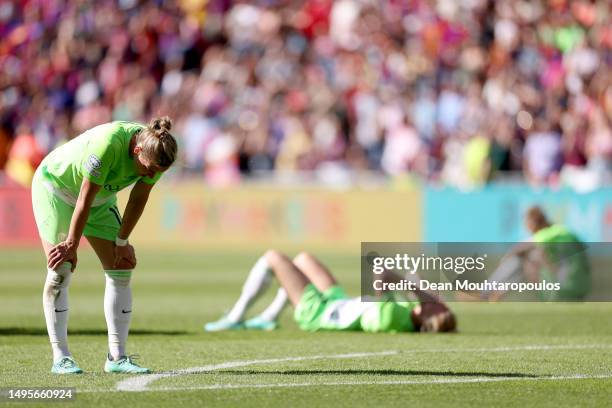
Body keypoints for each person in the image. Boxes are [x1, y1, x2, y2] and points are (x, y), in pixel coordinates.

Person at [31, 118, 177, 374]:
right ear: (136, 151)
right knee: (60, 268)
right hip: (56, 189)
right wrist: (71, 244)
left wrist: (122, 242)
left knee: (121, 267)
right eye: (149, 169)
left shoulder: (157, 152)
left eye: (158, 172)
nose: (152, 175)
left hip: (99, 200)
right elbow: (84, 198)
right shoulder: (107, 144)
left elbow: (138, 199)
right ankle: (61, 357)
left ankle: (117, 358)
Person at [205, 250, 456, 334]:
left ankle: (235, 318)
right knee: (303, 259)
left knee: (273, 257)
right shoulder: (405, 315)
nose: (437, 300)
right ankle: (269, 318)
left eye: (437, 305)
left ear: (428, 317)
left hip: (320, 313)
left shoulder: (393, 317)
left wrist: (418, 288)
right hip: (339, 302)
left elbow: (381, 274)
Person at [485, 206, 590, 301]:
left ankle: (486, 292)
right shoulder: (561, 231)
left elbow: (520, 248)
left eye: (526, 223)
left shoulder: (549, 233)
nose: (526, 227)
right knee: (531, 256)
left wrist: (505, 258)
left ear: (533, 222)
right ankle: (497, 291)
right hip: (582, 286)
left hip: (565, 287)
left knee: (524, 258)